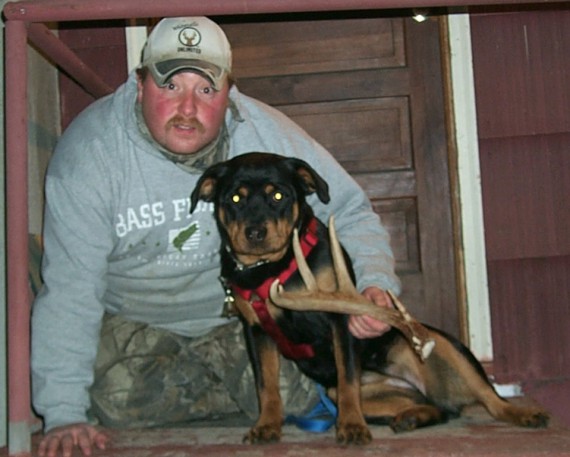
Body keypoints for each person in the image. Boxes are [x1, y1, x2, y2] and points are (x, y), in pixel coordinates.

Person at [32, 16, 401, 457]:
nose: (188, 108)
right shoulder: (91, 157)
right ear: (140, 83)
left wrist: (375, 285)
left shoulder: (265, 131)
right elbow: (71, 289)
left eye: (206, 90)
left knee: (294, 395)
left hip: (241, 321)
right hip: (137, 320)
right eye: (171, 87)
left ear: (229, 93)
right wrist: (64, 414)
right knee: (119, 400)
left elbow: (348, 208)